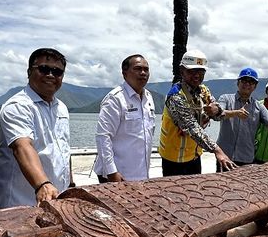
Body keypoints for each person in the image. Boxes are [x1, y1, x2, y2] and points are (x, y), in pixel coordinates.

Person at [0, 48, 72, 208]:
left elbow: (63, 149)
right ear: (29, 72)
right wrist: (42, 184)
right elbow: (22, 146)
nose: (50, 75)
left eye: (57, 72)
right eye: (44, 69)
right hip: (19, 203)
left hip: (54, 200)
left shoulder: (61, 107)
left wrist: (70, 183)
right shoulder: (18, 106)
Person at [159, 49, 236, 175]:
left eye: (200, 71)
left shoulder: (203, 91)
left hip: (194, 155)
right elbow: (192, 127)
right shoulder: (176, 96)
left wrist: (217, 110)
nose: (196, 75)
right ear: (182, 71)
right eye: (191, 71)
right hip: (173, 159)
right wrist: (217, 150)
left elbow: (218, 114)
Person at [214, 68, 268, 170]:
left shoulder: (259, 106)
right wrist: (235, 113)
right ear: (238, 83)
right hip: (224, 156)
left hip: (246, 158)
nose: (247, 84)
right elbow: (218, 115)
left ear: (255, 86)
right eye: (244, 80)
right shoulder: (226, 99)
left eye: (251, 82)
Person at [93, 54, 155, 182]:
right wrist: (111, 172)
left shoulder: (148, 97)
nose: (143, 73)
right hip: (118, 174)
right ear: (124, 73)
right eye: (138, 69)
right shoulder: (115, 99)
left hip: (140, 173)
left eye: (146, 69)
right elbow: (103, 136)